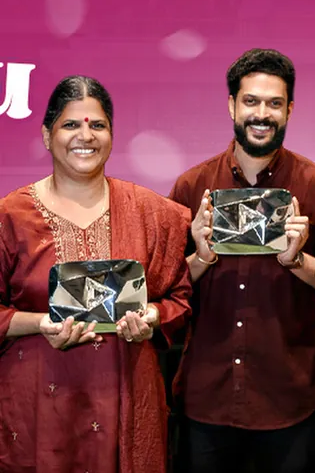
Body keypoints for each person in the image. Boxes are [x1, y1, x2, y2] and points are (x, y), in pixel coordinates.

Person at [0, 75, 192, 473]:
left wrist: (151, 317)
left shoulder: (151, 213)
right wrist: (41, 323)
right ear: (46, 135)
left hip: (124, 401)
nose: (85, 136)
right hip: (37, 410)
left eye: (98, 125)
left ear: (111, 135)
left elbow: (179, 296)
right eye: (70, 124)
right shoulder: (10, 217)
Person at [169, 48, 315, 473]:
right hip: (205, 399)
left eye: (274, 103)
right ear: (232, 105)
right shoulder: (191, 187)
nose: (262, 114)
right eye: (251, 101)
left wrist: (296, 261)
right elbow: (166, 290)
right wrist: (201, 257)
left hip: (291, 399)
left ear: (289, 110)